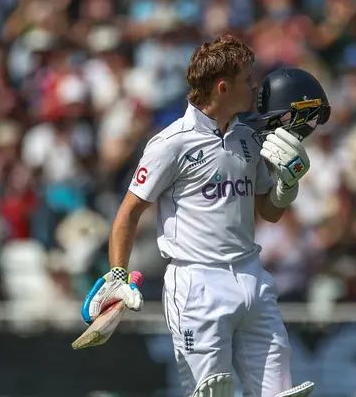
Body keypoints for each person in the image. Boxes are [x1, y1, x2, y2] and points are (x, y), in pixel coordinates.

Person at [81, 35, 330, 397]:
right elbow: (128, 212)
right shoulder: (171, 144)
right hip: (197, 285)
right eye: (247, 80)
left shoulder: (249, 138)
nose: (255, 88)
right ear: (223, 87)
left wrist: (287, 186)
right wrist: (117, 274)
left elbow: (268, 212)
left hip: (253, 278)